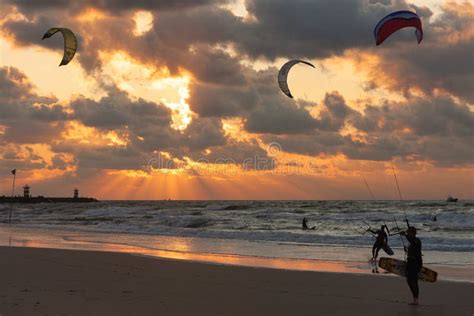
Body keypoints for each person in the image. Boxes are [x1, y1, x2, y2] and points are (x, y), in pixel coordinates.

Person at [401, 226, 422, 305]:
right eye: (407, 232)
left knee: (412, 280)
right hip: (410, 261)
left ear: (413, 233)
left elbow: (413, 242)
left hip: (415, 262)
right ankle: (415, 299)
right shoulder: (410, 240)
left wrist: (404, 236)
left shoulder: (417, 240)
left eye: (409, 232)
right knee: (410, 280)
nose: (408, 233)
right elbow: (408, 246)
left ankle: (416, 299)